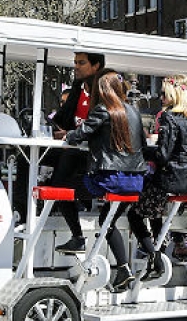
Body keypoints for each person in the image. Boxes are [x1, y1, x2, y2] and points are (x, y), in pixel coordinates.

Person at [57, 69, 147, 292]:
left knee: (60, 188)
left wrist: (66, 135)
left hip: (109, 179)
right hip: (135, 181)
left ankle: (78, 238)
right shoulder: (133, 111)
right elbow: (143, 143)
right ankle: (123, 269)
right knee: (108, 219)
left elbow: (80, 134)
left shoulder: (103, 109)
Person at [127, 74, 187, 279]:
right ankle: (157, 251)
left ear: (173, 95)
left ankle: (154, 256)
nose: (160, 97)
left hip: (172, 180)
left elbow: (162, 155)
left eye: (164, 93)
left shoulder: (169, 118)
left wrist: (141, 150)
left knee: (134, 214)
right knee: (154, 209)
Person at [46, 52, 105, 240]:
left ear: (96, 66)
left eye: (81, 63)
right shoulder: (77, 87)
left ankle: (77, 236)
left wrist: (71, 135)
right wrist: (52, 127)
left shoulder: (104, 90)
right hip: (72, 147)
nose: (76, 67)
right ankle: (21, 213)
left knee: (60, 178)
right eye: (75, 62)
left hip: (91, 154)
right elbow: (63, 117)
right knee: (27, 159)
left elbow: (99, 127)